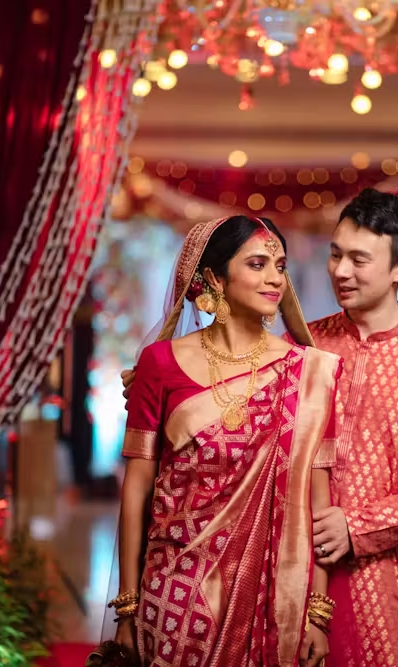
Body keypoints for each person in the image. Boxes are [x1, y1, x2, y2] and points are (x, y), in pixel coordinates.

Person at [123, 190, 398, 666]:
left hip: (384, 584)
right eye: (336, 254)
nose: (340, 270)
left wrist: (359, 525)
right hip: (279, 574)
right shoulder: (302, 347)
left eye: (359, 259)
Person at [107, 215, 342, 667]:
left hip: (272, 595)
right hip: (175, 590)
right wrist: (128, 605)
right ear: (213, 277)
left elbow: (317, 498)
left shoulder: (309, 372)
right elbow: (136, 488)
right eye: (257, 264)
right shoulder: (159, 364)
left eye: (280, 265)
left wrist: (318, 612)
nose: (275, 277)